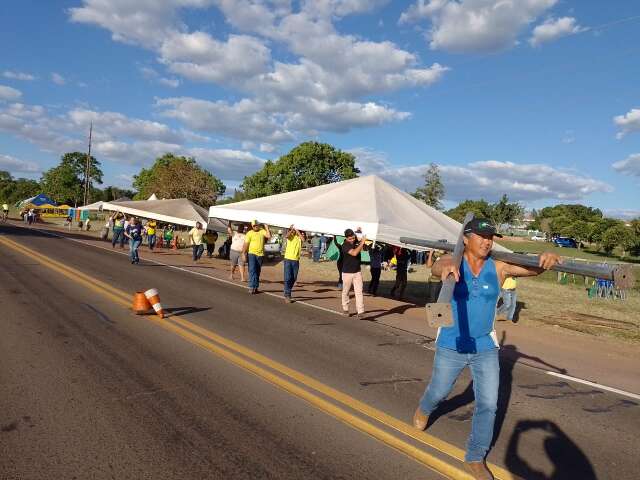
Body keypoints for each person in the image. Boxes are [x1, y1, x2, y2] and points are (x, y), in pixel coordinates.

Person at [412, 218, 561, 480]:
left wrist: (545, 259)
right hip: (451, 343)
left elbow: (531, 268)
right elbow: (439, 266)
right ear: (466, 238)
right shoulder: (454, 260)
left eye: (491, 236)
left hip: (485, 346)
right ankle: (425, 408)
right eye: (481, 235)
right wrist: (445, 266)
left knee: (488, 404)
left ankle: (476, 456)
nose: (487, 240)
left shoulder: (499, 265)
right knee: (439, 391)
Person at [340, 228, 368, 319]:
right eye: (350, 239)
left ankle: (360, 311)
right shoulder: (344, 245)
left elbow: (360, 238)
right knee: (346, 291)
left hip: (357, 271)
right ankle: (345, 309)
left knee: (359, 291)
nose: (352, 240)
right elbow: (355, 253)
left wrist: (359, 231)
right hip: (347, 272)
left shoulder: (355, 239)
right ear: (346, 238)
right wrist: (362, 243)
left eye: (353, 238)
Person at [243, 220, 271, 294]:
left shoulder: (262, 231)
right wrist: (243, 253)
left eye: (257, 225)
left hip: (260, 255)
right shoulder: (249, 233)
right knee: (252, 270)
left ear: (259, 225)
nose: (255, 227)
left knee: (257, 271)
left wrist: (266, 227)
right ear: (252, 226)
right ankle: (251, 287)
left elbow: (268, 236)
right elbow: (246, 244)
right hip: (252, 254)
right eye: (254, 226)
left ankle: (255, 287)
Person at [283, 225, 305, 303]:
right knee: (287, 277)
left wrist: (297, 230)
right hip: (288, 259)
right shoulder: (290, 236)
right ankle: (287, 294)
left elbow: (303, 239)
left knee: (294, 277)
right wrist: (292, 229)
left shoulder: (299, 237)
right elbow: (286, 236)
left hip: (296, 260)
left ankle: (287, 290)